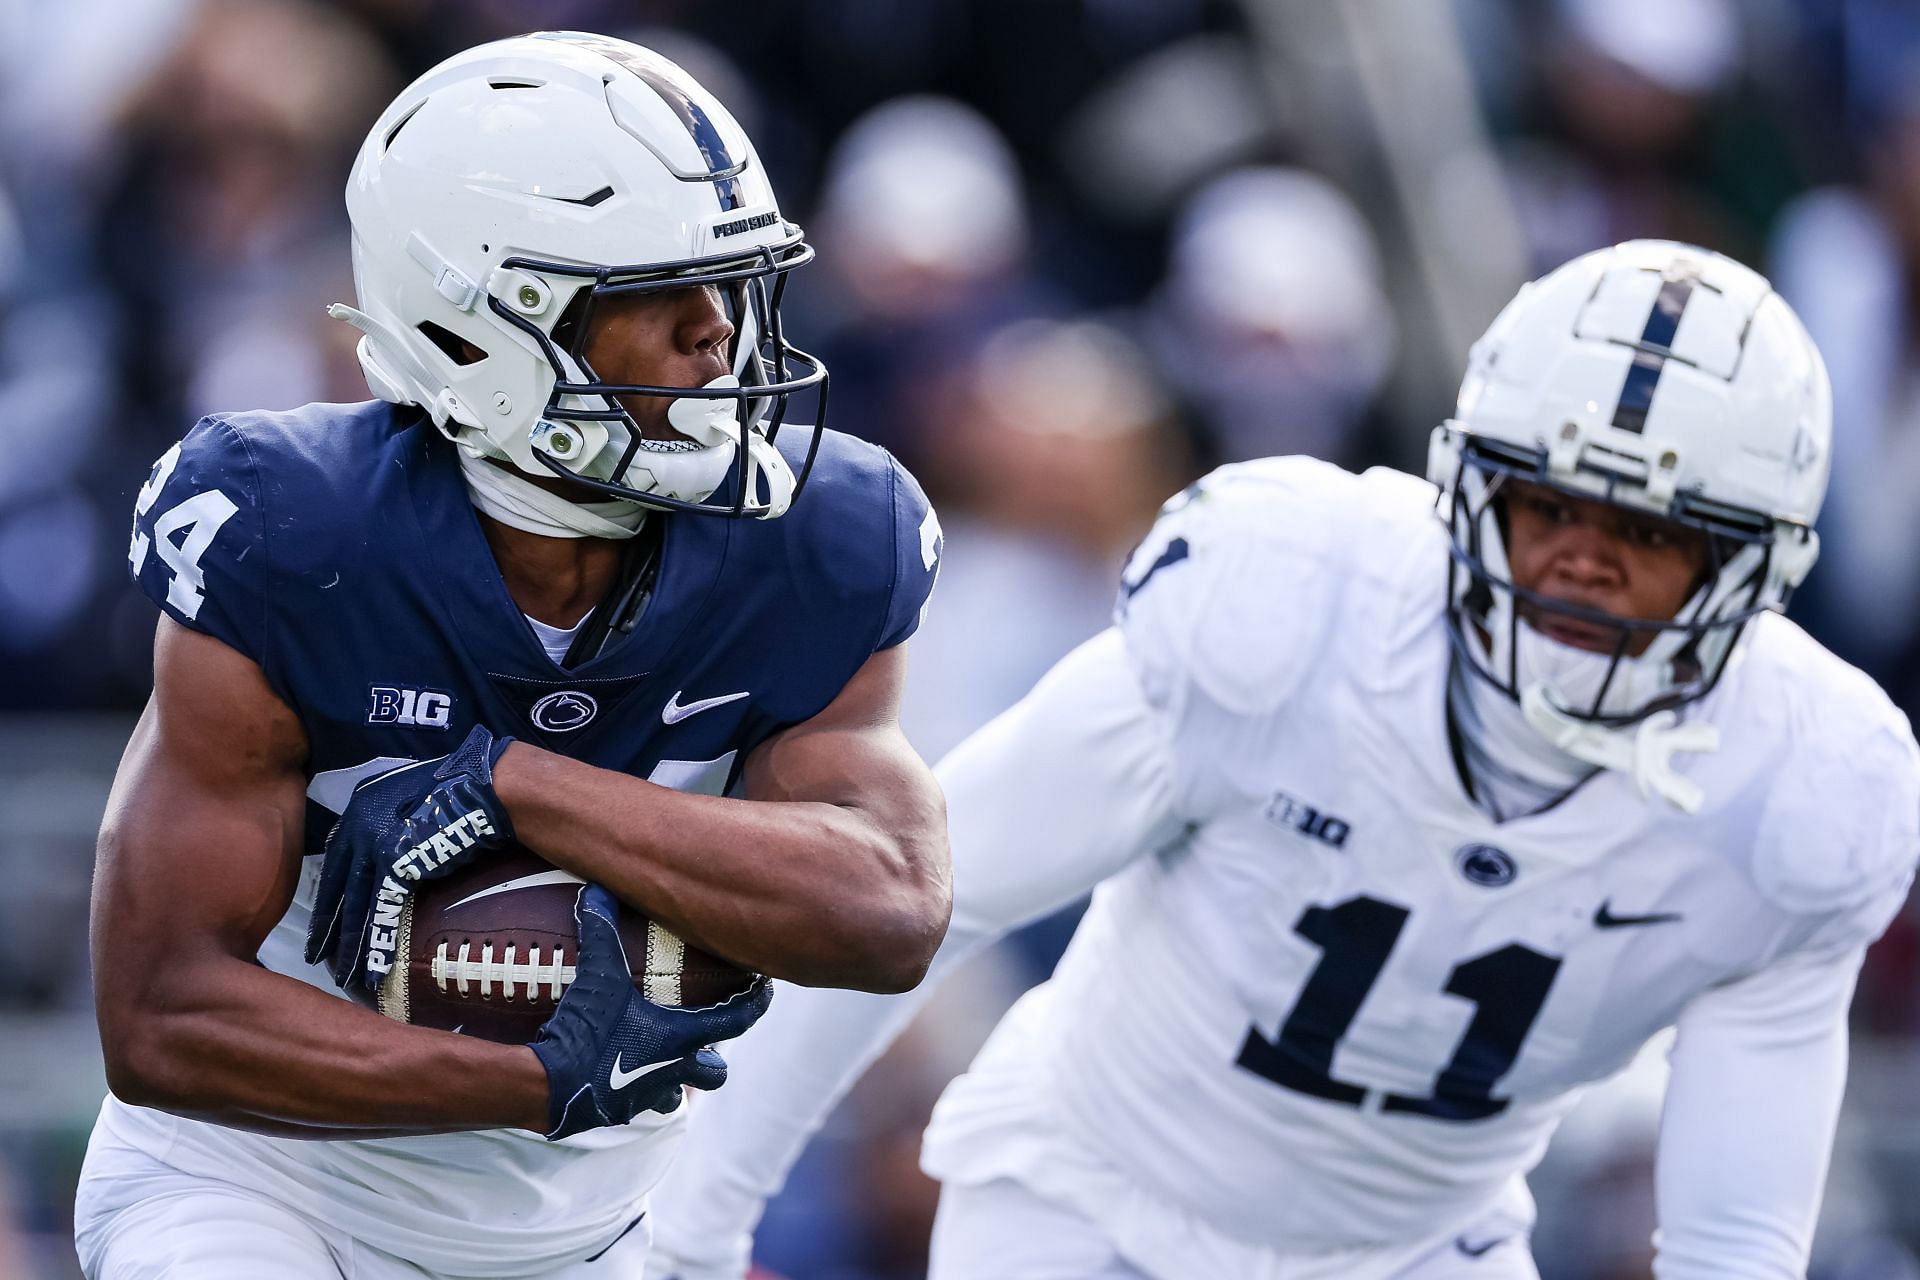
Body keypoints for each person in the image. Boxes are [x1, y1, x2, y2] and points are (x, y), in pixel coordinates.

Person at [647, 239, 1920, 1280]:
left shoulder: (1802, 791)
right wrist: (690, 1234)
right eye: (1551, 507)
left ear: (1746, 570)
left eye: (1647, 528)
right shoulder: (1293, 611)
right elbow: (911, 904)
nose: (1584, 561)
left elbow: (1732, 1237)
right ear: (1473, 492)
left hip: (1424, 1247)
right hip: (1089, 1202)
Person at [75, 31, 949, 1280]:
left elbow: (888, 908)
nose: (722, 339)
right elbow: (161, 1015)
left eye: (734, 286)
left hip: (598, 1224)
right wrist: (536, 1080)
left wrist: (520, 784)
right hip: (261, 1181)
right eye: (660, 294)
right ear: (480, 328)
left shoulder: (820, 537)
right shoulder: (295, 534)